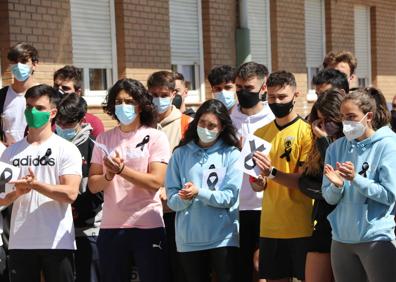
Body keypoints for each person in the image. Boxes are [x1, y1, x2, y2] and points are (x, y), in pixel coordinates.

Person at [88, 78, 170, 282]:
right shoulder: (103, 139)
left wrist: (122, 170)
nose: (123, 106)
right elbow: (93, 185)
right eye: (118, 101)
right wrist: (108, 175)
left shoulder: (155, 137)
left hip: (147, 224)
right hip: (111, 226)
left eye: (129, 101)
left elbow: (155, 181)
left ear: (141, 105)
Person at [0, 84, 82, 282]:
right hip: (20, 243)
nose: (32, 112)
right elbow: (1, 199)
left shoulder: (66, 149)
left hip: (57, 242)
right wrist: (17, 193)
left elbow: (71, 194)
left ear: (52, 113)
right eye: (28, 107)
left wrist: (37, 185)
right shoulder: (10, 152)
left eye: (39, 108)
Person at [322, 87, 396, 282]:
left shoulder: (388, 145)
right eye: (343, 117)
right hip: (340, 239)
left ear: (368, 116)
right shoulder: (335, 148)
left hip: (375, 239)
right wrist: (337, 187)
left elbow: (389, 195)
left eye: (352, 116)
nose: (346, 123)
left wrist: (355, 178)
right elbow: (328, 198)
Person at [166, 99, 242, 282]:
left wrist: (199, 192)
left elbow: (229, 197)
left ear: (222, 127)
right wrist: (184, 198)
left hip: (223, 237)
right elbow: (172, 199)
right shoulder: (180, 154)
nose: (205, 128)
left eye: (212, 125)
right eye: (202, 122)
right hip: (189, 240)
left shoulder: (231, 154)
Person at [252, 71, 313, 282]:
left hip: (301, 225)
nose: (276, 102)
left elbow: (302, 180)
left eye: (282, 97)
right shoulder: (259, 133)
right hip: (270, 225)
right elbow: (255, 184)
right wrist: (259, 182)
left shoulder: (307, 132)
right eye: (271, 97)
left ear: (296, 95)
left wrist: (272, 173)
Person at [230, 61, 274, 282]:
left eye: (249, 88)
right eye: (239, 88)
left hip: (263, 204)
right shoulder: (227, 119)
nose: (243, 93)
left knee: (262, 268)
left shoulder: (273, 119)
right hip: (233, 205)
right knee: (237, 268)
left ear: (263, 88)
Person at [147, 70, 191, 282]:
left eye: (164, 94)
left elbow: (192, 167)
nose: (158, 100)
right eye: (153, 94)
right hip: (147, 210)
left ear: (174, 93)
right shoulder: (143, 124)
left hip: (176, 211)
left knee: (180, 269)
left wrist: (171, 190)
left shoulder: (187, 124)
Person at [298, 89, 344, 282]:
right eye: (320, 120)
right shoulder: (320, 144)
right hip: (324, 221)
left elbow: (338, 176)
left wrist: (325, 142)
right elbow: (307, 180)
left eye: (329, 119)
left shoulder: (352, 143)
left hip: (348, 224)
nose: (324, 125)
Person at [56, 93, 103, 282]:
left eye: (68, 122)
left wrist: (77, 211)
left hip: (87, 230)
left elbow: (98, 192)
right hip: (56, 230)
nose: (63, 126)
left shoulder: (94, 148)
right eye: (60, 120)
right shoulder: (53, 145)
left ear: (81, 120)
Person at [0, 42, 39, 145]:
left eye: (23, 61)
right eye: (14, 61)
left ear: (34, 64)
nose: (18, 65)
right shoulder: (2, 96)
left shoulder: (45, 95)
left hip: (36, 156)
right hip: (7, 156)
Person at [53, 65, 105, 138]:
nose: (59, 91)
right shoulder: (48, 120)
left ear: (77, 92)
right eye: (56, 86)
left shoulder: (93, 123)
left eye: (65, 88)